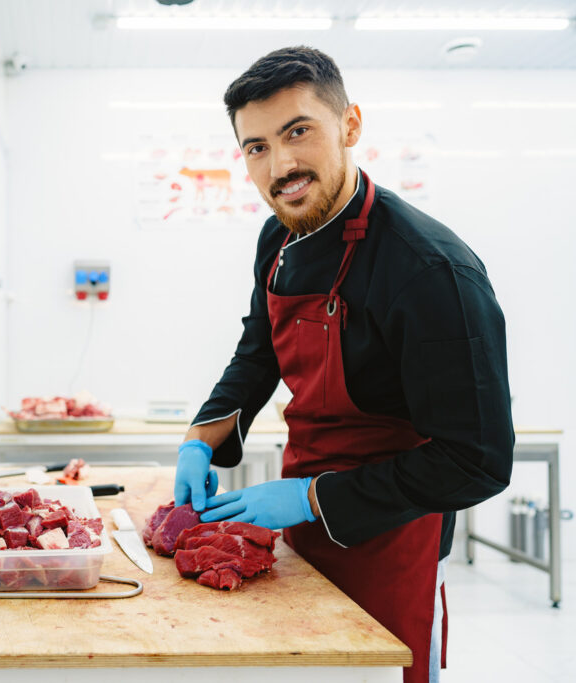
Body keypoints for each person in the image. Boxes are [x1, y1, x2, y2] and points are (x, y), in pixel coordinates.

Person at [174, 46, 513, 683]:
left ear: (350, 125)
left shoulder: (431, 270)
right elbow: (260, 346)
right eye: (257, 147)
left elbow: (479, 460)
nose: (281, 165)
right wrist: (205, 435)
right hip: (304, 522)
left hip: (394, 531)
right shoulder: (279, 235)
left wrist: (311, 496)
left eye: (298, 132)